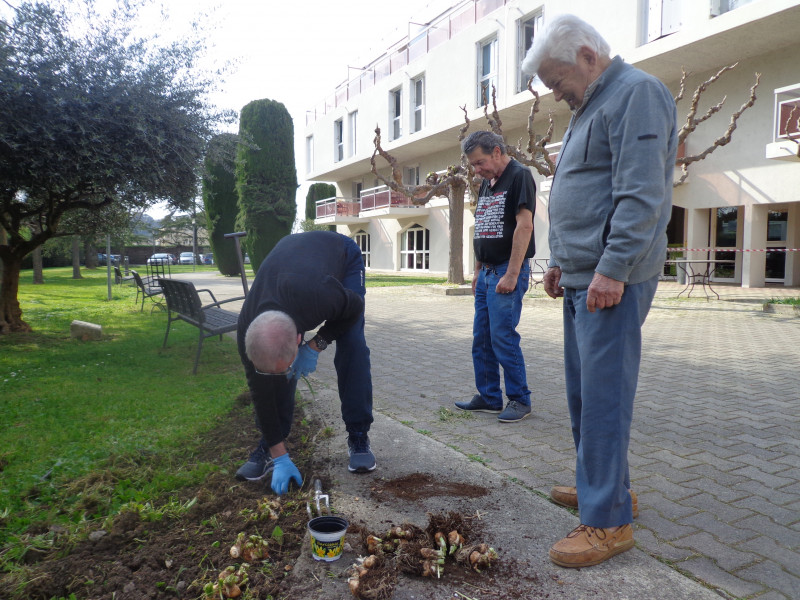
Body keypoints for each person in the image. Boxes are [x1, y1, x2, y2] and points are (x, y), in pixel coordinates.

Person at [521, 14, 677, 567]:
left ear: (587, 55)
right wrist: (563, 261)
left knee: (603, 402)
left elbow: (641, 196)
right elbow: (586, 192)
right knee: (587, 397)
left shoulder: (637, 94)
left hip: (613, 282)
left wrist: (611, 269)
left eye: (557, 80)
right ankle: (608, 489)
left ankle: (608, 524)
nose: (556, 94)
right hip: (583, 279)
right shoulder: (592, 105)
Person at [235, 231, 375, 495]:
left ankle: (358, 435)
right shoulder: (248, 334)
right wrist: (280, 455)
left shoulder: (320, 296)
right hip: (292, 261)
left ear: (299, 338)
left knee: (353, 345)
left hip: (339, 254)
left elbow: (353, 309)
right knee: (272, 372)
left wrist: (316, 344)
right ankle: (270, 446)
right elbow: (259, 391)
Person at [454, 130, 535, 423]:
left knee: (503, 337)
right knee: (482, 338)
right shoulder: (488, 184)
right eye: (473, 165)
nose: (477, 170)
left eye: (480, 163)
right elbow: (485, 227)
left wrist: (512, 274)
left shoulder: (519, 176)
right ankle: (489, 397)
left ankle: (519, 399)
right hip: (487, 272)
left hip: (506, 271)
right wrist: (477, 271)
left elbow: (524, 227)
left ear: (497, 152)